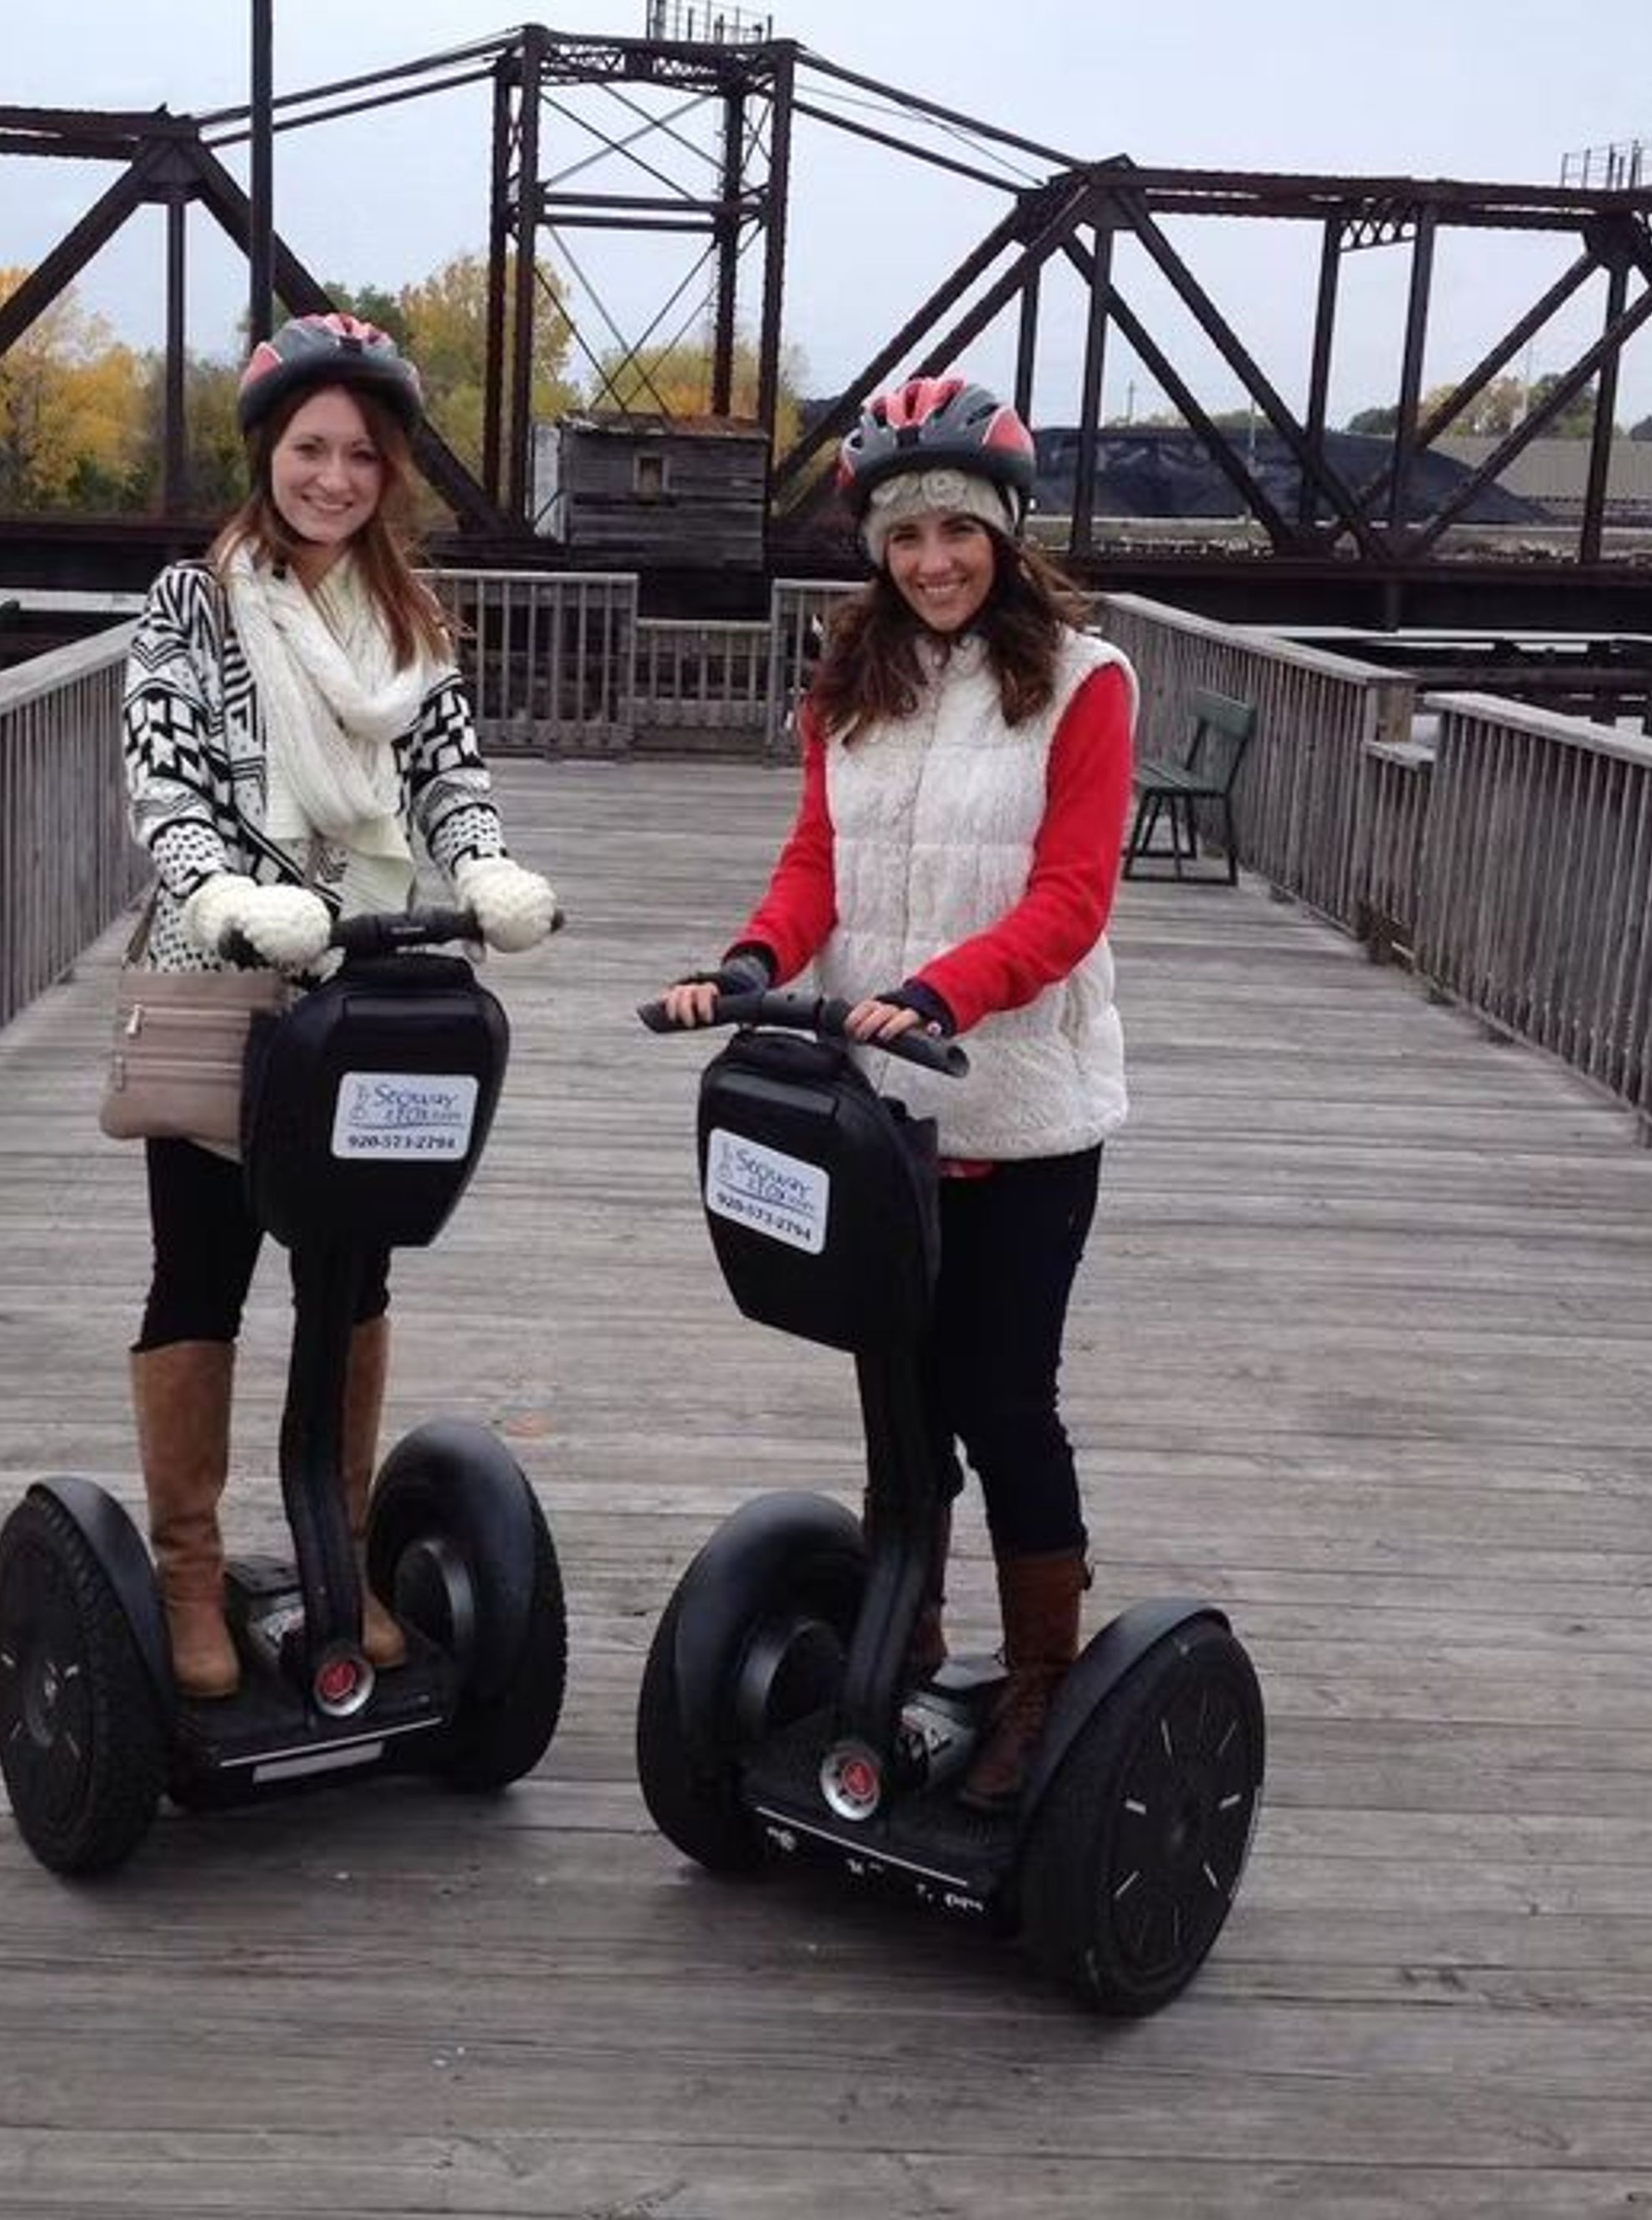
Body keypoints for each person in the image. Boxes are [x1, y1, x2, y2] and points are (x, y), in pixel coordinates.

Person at [656, 375, 1133, 1809]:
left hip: (1022, 1112)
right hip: (882, 1114)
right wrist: (750, 958)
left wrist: (944, 991)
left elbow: (1073, 899)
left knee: (1004, 1401)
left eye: (958, 532)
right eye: (906, 535)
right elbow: (819, 865)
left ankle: (1041, 1673)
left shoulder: (1084, 683)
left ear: (1005, 535)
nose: (932, 560)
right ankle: (903, 1637)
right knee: (897, 1398)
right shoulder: (846, 683)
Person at [121, 310, 558, 1698]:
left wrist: (484, 862)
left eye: (359, 454)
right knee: (204, 1273)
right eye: (310, 449)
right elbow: (164, 782)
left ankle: (342, 1552)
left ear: (389, 473)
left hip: (366, 983)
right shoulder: (191, 606)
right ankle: (190, 1575)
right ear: (268, 457)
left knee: (352, 1273)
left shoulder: (408, 620)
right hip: (221, 983)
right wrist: (224, 896)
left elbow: (449, 772)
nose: (333, 477)